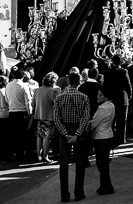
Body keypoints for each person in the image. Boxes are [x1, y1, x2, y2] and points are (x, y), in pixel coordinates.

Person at [53, 72, 91, 202]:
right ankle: (78, 193)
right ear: (78, 82)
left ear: (69, 81)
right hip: (78, 130)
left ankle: (65, 195)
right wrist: (77, 134)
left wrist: (65, 134)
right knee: (80, 163)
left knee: (64, 164)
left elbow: (56, 119)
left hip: (64, 130)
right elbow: (86, 118)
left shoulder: (59, 98)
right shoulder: (84, 97)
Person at [90, 88, 116, 195]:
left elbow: (93, 123)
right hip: (108, 135)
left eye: (100, 95)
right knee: (104, 164)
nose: (98, 96)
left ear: (106, 97)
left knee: (102, 164)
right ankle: (104, 186)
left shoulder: (102, 109)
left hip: (101, 137)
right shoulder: (111, 106)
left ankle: (107, 186)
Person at [102, 55, 132, 146]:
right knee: (122, 120)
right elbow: (128, 85)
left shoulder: (107, 71)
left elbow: (105, 84)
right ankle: (121, 138)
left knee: (110, 119)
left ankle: (110, 137)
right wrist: (129, 95)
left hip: (111, 97)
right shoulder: (124, 72)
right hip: (122, 98)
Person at [6, 67, 33, 161]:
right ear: (23, 76)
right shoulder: (24, 86)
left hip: (12, 112)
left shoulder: (8, 85)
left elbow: (6, 99)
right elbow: (28, 101)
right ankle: (20, 155)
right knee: (22, 135)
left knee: (13, 135)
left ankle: (11, 154)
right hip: (22, 113)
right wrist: (30, 113)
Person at [33, 72, 60, 163]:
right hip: (49, 117)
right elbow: (58, 104)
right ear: (53, 81)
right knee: (47, 137)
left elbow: (33, 104)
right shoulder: (53, 91)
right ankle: (45, 156)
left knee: (39, 136)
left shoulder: (37, 90)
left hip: (39, 116)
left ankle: (39, 155)